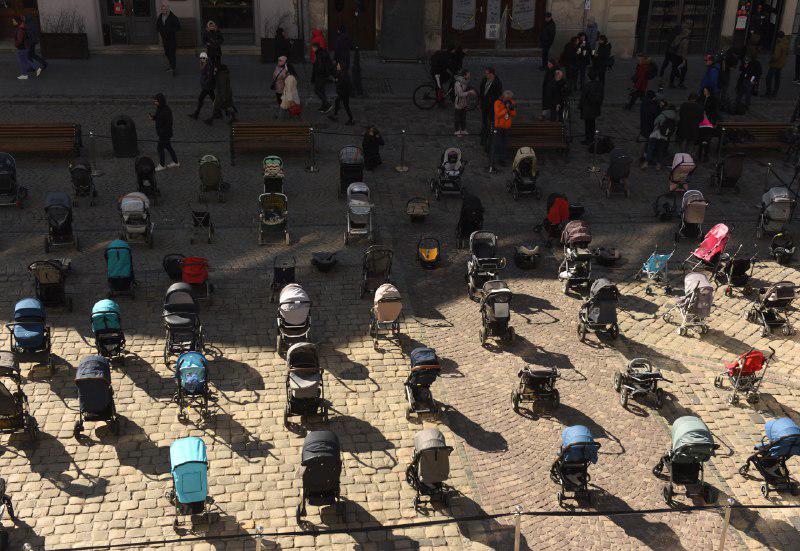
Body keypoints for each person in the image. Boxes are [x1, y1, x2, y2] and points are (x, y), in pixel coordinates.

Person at [642, 99, 676, 170]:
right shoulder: (675, 117)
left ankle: (646, 162)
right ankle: (658, 165)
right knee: (661, 150)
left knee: (650, 147)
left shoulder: (663, 114)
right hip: (664, 136)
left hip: (656, 134)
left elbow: (655, 122)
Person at [150, 93, 179, 171]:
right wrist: (153, 118)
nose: (155, 102)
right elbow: (158, 117)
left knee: (160, 148)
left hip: (164, 134)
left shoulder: (166, 110)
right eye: (155, 101)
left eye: (156, 101)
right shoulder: (160, 108)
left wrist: (162, 133)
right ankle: (176, 162)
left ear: (161, 101)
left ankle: (162, 165)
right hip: (163, 133)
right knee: (168, 147)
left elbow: (169, 123)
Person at [479, 66, 503, 146]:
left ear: (492, 74)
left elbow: (498, 95)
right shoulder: (484, 80)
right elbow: (481, 90)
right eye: (485, 73)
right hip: (484, 105)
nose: (486, 75)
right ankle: (484, 135)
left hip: (491, 106)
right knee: (484, 121)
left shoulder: (497, 82)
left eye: (487, 73)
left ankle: (488, 137)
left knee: (490, 122)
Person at [11, 15, 40, 80]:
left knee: (22, 61)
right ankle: (35, 69)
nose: (13, 22)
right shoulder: (23, 27)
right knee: (25, 60)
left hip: (21, 48)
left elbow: (19, 40)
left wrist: (16, 45)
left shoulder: (20, 29)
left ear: (17, 21)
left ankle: (25, 74)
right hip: (25, 47)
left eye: (14, 21)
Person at [579, 69, 604, 145]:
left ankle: (588, 139)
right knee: (592, 123)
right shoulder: (599, 84)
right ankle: (591, 138)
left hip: (587, 108)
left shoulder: (587, 85)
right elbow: (601, 96)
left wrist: (580, 106)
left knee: (588, 124)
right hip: (595, 108)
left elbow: (583, 97)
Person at [492, 91, 516, 165]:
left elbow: (513, 114)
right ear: (503, 97)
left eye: (510, 98)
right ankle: (496, 159)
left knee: (504, 144)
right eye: (507, 98)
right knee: (499, 143)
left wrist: (510, 109)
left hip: (507, 127)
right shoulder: (497, 103)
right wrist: (506, 109)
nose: (508, 99)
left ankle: (502, 160)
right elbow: (498, 114)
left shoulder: (512, 102)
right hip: (499, 126)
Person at [156, 2, 180, 75]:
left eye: (165, 9)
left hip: (171, 39)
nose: (163, 10)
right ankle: (171, 65)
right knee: (167, 53)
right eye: (162, 9)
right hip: (164, 39)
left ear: (168, 9)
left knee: (171, 53)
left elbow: (178, 27)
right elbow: (158, 25)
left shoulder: (173, 17)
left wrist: (170, 30)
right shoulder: (160, 17)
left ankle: (173, 67)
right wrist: (159, 30)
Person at [189, 52, 215, 120]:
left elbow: (209, 76)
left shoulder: (208, 64)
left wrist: (205, 83)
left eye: (203, 58)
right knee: (214, 99)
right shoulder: (205, 63)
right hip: (208, 86)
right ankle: (219, 112)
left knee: (201, 99)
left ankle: (196, 114)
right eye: (201, 58)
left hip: (207, 86)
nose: (202, 59)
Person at [311, 42, 334, 112]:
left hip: (321, 75)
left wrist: (316, 74)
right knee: (322, 90)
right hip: (323, 75)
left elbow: (319, 66)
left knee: (317, 90)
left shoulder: (319, 54)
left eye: (313, 48)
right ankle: (324, 105)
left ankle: (327, 104)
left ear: (315, 47)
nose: (312, 49)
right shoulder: (321, 53)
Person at [453, 69, 476, 136]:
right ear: (465, 75)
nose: (469, 75)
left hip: (464, 102)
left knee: (463, 117)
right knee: (457, 117)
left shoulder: (465, 81)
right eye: (468, 74)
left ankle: (463, 130)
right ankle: (457, 131)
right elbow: (460, 94)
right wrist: (469, 92)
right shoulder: (458, 83)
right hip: (459, 102)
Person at [765, 31, 789, 97]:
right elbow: (787, 53)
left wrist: (771, 60)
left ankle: (768, 92)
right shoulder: (786, 43)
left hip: (775, 64)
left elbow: (775, 56)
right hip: (781, 63)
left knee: (768, 78)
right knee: (777, 78)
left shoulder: (779, 44)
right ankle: (775, 92)